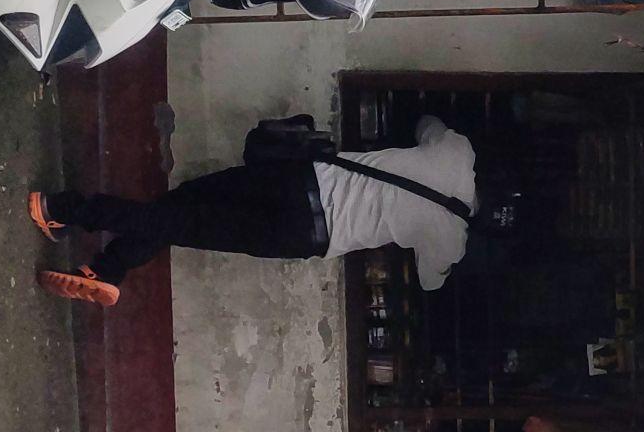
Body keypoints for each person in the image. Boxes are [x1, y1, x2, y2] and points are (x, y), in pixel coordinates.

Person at [28, 112, 476, 309]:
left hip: (299, 179)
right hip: (305, 237)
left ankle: (81, 228)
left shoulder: (458, 152)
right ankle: (97, 251)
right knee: (180, 218)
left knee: (185, 203)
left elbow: (427, 125)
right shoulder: (453, 240)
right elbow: (430, 281)